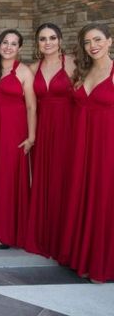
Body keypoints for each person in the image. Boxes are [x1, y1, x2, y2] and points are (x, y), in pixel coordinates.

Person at [60, 23, 113, 283]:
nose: (93, 46)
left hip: (107, 146)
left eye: (98, 40)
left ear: (110, 41)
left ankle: (102, 264)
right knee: (83, 194)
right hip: (82, 144)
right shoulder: (84, 70)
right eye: (88, 42)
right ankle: (82, 256)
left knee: (103, 200)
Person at [25, 23, 75, 259]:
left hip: (68, 129)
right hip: (43, 130)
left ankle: (64, 239)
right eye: (43, 38)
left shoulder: (73, 64)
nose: (48, 42)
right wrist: (31, 136)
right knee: (43, 181)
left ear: (60, 40)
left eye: (52, 37)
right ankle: (44, 237)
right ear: (37, 43)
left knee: (64, 181)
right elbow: (29, 106)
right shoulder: (33, 68)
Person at [0, 29, 36, 249]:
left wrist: (31, 137)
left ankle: (5, 232)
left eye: (14, 44)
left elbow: (32, 106)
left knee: (8, 179)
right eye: (5, 42)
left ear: (19, 48)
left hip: (13, 131)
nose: (8, 47)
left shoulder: (24, 72)